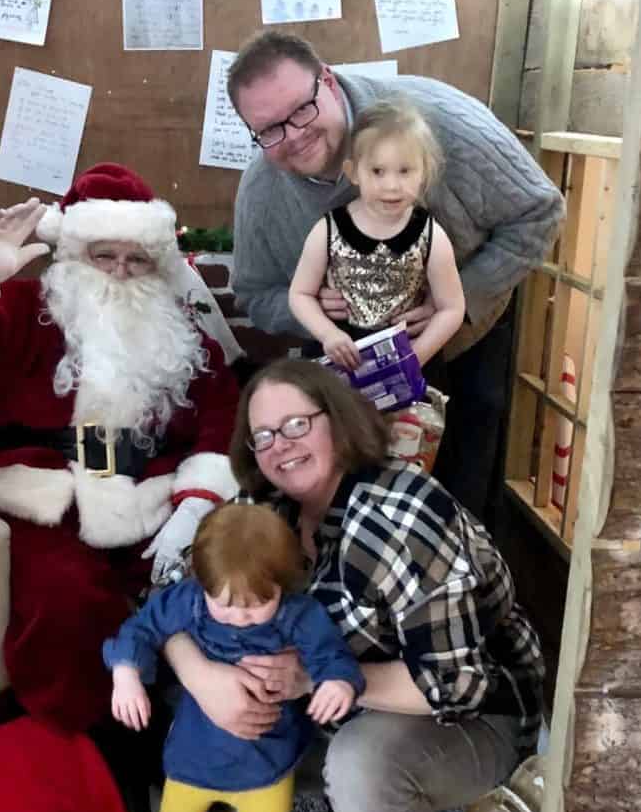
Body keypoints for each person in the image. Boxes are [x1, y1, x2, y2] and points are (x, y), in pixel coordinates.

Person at [0, 162, 241, 812]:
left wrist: (193, 505)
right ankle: (99, 767)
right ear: (73, 253)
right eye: (102, 255)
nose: (119, 271)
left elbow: (218, 419)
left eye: (135, 258)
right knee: (70, 599)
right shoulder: (24, 309)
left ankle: (172, 751)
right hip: (32, 494)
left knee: (200, 589)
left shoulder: (180, 333)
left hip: (144, 500)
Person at [163, 358, 545, 812]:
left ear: (338, 423)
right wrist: (205, 676)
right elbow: (176, 595)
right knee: (223, 688)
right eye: (263, 435)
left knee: (358, 764)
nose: (280, 447)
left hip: (477, 710)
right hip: (363, 682)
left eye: (296, 424)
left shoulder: (396, 520)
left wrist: (311, 680)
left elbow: (458, 684)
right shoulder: (267, 505)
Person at [227, 30, 565, 524]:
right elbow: (255, 293)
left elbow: (540, 211)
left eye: (301, 110)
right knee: (346, 507)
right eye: (269, 130)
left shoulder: (441, 124)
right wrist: (314, 312)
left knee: (457, 502)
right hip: (341, 371)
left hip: (463, 348)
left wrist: (458, 300)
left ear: (327, 79)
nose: (293, 135)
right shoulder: (261, 193)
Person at [102, 503, 364, 812]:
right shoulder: (191, 601)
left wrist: (335, 684)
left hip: (267, 768)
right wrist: (125, 674)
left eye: (255, 604)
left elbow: (335, 657)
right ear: (201, 585)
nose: (239, 616)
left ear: (283, 587)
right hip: (194, 759)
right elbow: (140, 628)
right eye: (225, 604)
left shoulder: (298, 615)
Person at [288, 98, 466, 375]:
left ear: (424, 172)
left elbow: (452, 308)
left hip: (407, 353)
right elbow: (300, 294)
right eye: (377, 171)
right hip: (341, 354)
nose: (391, 186)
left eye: (405, 171)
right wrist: (327, 334)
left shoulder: (431, 235)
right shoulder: (328, 229)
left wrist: (416, 357)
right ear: (354, 172)